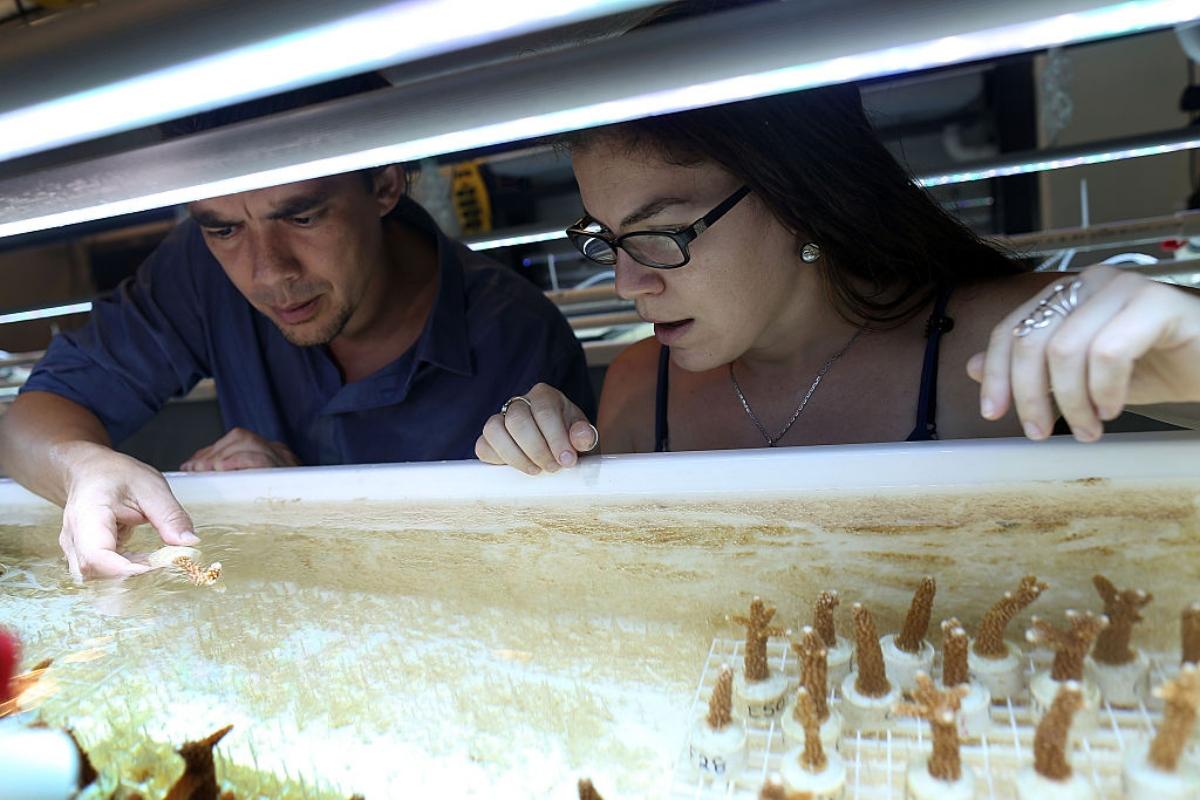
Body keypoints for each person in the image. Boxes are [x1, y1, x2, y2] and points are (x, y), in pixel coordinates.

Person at [0, 75, 594, 579]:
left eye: (303, 216)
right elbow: (26, 424)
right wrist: (83, 468)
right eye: (223, 228)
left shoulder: (515, 337)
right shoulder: (200, 269)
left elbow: (531, 578)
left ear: (385, 182)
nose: (268, 273)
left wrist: (294, 502)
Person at [475, 82, 1200, 474]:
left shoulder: (1007, 344)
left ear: (798, 197)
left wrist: (1188, 337)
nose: (628, 282)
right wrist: (537, 465)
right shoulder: (638, 390)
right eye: (607, 240)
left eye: (660, 234)